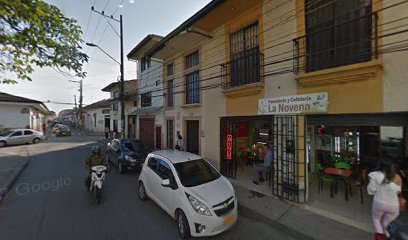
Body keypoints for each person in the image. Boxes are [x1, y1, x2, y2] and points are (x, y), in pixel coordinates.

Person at [368, 159, 403, 240]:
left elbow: (372, 190)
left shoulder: (375, 175)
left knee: (376, 219)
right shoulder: (397, 177)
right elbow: (398, 192)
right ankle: (386, 233)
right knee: (385, 222)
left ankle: (380, 235)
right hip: (393, 205)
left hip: (378, 203)